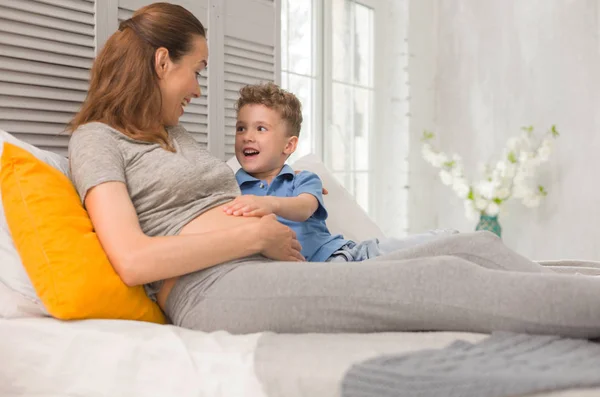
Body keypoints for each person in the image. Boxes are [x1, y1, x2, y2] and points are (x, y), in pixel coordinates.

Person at [67, 2, 600, 338]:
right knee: (444, 279)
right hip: (211, 288)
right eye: (196, 71)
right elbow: (134, 261)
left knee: (474, 248)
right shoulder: (96, 141)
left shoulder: (173, 135)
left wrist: (266, 229)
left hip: (267, 264)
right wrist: (254, 235)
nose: (199, 89)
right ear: (163, 62)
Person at [224, 82, 457, 262]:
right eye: (241, 128)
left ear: (289, 146)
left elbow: (304, 208)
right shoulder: (230, 187)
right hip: (307, 273)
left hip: (345, 255)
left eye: (261, 128)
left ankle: (449, 238)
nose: (247, 136)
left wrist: (269, 204)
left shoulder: (302, 178)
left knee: (417, 250)